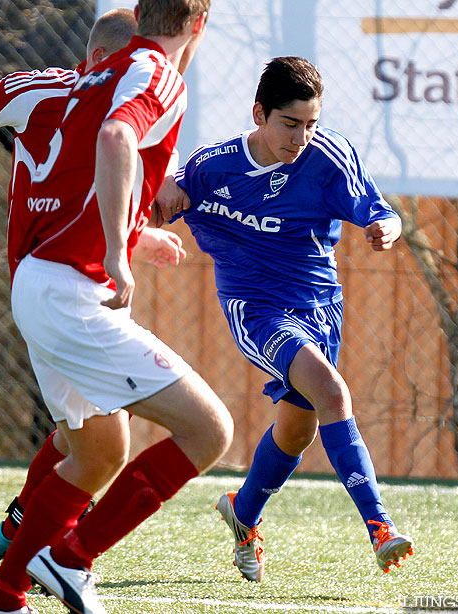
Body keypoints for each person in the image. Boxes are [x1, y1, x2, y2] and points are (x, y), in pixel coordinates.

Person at [0, 2, 233, 614]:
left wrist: (131, 233)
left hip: (41, 284)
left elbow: (76, 181)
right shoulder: (156, 71)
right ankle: (68, 558)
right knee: (208, 430)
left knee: (99, 451)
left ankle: (3, 596)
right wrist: (120, 249)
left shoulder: (91, 79)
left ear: (142, 12)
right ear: (199, 25)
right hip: (69, 292)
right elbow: (117, 138)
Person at [156, 56, 413, 583]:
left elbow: (380, 209)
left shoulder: (328, 158)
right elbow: (157, 187)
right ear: (259, 114)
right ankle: (380, 527)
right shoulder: (215, 168)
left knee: (299, 430)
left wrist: (388, 226)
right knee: (333, 393)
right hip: (255, 307)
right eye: (290, 124)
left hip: (321, 307)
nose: (302, 137)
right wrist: (163, 187)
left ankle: (243, 513)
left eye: (311, 123)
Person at [0, 8, 185, 566]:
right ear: (102, 60)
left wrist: (136, 236)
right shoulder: (58, 89)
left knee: (86, 428)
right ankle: (47, 554)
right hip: (56, 283)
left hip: (74, 279)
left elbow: (83, 189)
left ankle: (26, 533)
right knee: (106, 437)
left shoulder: (113, 107)